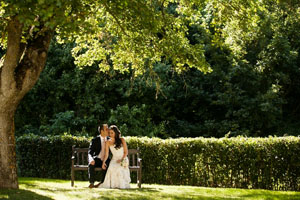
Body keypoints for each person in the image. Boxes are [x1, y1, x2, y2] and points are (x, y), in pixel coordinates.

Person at [88, 124, 111, 188]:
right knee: (91, 163)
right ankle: (92, 182)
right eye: (106, 129)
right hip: (97, 159)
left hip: (106, 159)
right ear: (101, 131)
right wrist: (91, 159)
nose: (108, 130)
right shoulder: (95, 140)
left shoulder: (110, 140)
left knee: (107, 164)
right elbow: (90, 152)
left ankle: (102, 183)